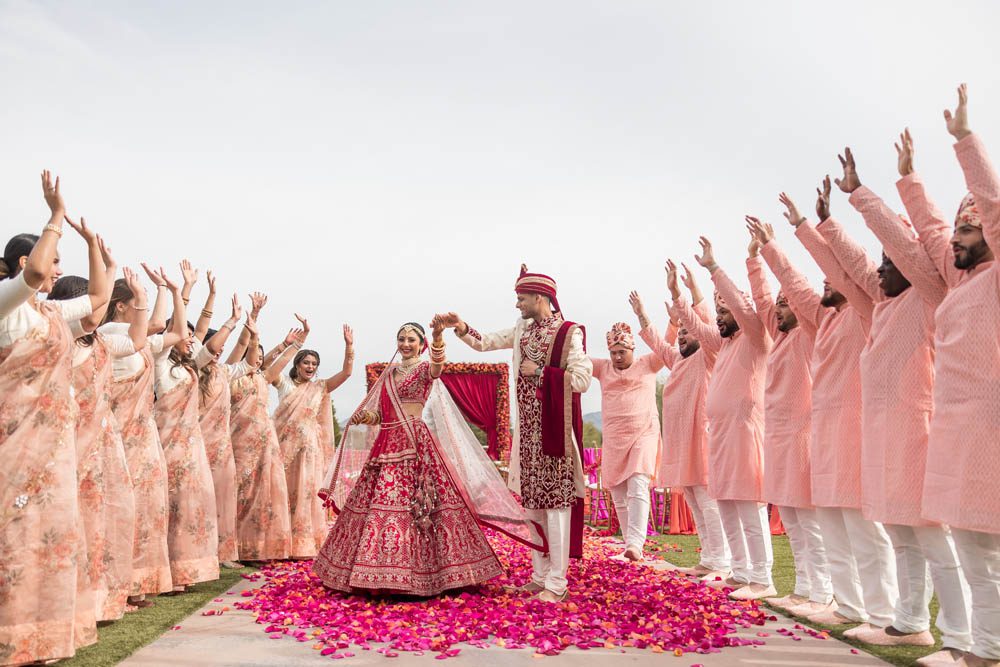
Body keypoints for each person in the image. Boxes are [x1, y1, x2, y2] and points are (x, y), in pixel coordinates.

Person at [811, 145, 973, 658]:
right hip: (884, 434)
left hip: (917, 430)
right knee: (902, 535)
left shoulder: (929, 293)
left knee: (931, 540)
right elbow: (848, 271)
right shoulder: (878, 307)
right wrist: (820, 228)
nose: (879, 271)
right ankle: (908, 622)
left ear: (910, 263)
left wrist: (864, 194)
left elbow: (900, 245)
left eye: (889, 262)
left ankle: (963, 637)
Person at [314, 321, 545, 596]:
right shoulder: (389, 374)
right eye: (401, 339)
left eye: (411, 339)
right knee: (380, 504)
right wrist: (367, 417)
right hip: (387, 444)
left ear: (420, 343)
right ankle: (375, 573)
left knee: (421, 508)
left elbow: (437, 368)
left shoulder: (424, 368)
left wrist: (437, 338)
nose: (405, 344)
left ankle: (431, 575)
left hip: (415, 443)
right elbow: (381, 415)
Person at [901, 85, 1000, 667]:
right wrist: (902, 185)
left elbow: (991, 202)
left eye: (970, 230)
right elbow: (922, 238)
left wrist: (965, 141)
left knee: (989, 556)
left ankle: (985, 653)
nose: (956, 240)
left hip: (991, 428)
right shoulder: (954, 285)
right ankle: (974, 651)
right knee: (971, 552)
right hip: (956, 430)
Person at [780, 185, 899, 634]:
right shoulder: (823, 318)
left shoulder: (866, 309)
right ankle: (847, 607)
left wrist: (816, 227)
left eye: (834, 277)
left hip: (854, 433)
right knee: (833, 527)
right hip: (825, 436)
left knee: (865, 533)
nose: (826, 281)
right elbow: (794, 284)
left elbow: (843, 268)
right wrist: (785, 238)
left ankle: (883, 614)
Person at [0, 173, 108, 663]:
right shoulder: (8, 305)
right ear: (27, 262)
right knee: (15, 534)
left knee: (51, 535)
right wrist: (56, 216)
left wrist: (93, 249)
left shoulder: (48, 313)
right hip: (15, 440)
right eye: (55, 260)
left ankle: (42, 633)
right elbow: (28, 278)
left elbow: (100, 303)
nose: (56, 268)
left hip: (54, 446)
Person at [438, 265, 592, 603]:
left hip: (555, 436)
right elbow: (484, 343)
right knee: (533, 508)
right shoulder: (523, 328)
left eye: (521, 298)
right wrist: (461, 327)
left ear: (540, 297)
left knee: (556, 509)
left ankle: (557, 582)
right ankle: (539, 576)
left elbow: (582, 379)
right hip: (528, 437)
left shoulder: (569, 333)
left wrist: (542, 372)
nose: (517, 305)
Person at [673, 241, 775, 601]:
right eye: (716, 309)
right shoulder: (725, 344)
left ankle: (763, 579)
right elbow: (698, 331)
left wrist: (714, 268)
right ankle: (741, 571)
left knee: (749, 508)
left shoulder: (755, 336)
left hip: (746, 434)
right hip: (720, 437)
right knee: (729, 506)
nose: (719, 315)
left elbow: (745, 310)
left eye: (724, 309)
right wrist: (678, 298)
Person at [744, 219, 833, 617]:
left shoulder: (812, 329)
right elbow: (762, 300)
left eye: (786, 304)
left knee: (810, 522)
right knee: (792, 520)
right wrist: (752, 262)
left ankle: (823, 593)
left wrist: (772, 250)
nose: (778, 310)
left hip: (804, 434)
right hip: (777, 435)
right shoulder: (779, 337)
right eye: (778, 305)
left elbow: (794, 288)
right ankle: (802, 587)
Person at [639, 260, 730, 580]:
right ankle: (709, 556)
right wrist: (643, 317)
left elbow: (705, 321)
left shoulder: (709, 355)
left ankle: (721, 560)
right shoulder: (676, 359)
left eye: (689, 331)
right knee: (693, 499)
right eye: (680, 332)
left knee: (708, 502)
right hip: (680, 442)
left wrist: (689, 290)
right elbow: (656, 343)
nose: (681, 337)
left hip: (701, 438)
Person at [152, 277, 219, 590]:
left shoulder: (191, 366)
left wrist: (230, 317)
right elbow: (175, 331)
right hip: (167, 444)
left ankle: (185, 571)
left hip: (192, 447)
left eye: (193, 335)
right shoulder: (161, 365)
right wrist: (183, 294)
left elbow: (209, 342)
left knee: (191, 506)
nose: (191, 339)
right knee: (171, 505)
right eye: (186, 334)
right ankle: (167, 572)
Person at [588, 294, 664, 561]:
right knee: (618, 493)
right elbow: (574, 359)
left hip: (644, 434)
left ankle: (635, 545)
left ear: (633, 350)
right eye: (613, 352)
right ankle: (628, 544)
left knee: (638, 486)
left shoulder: (649, 363)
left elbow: (667, 344)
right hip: (614, 439)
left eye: (622, 352)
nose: (618, 356)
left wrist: (642, 314)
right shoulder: (603, 368)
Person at [272, 319, 353, 559]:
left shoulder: (320, 387)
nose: (310, 366)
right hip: (284, 448)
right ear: (296, 365)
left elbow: (347, 373)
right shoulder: (284, 383)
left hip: (309, 451)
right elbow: (273, 370)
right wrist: (297, 343)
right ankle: (281, 544)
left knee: (306, 493)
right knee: (283, 493)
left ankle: (304, 545)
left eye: (314, 364)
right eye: (306, 362)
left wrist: (349, 347)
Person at [225, 298, 294, 561]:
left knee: (263, 492)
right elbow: (247, 348)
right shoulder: (231, 376)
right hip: (238, 438)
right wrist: (253, 318)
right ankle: (234, 548)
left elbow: (281, 361)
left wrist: (294, 343)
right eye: (256, 354)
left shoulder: (264, 378)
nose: (260, 359)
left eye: (263, 356)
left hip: (265, 440)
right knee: (239, 491)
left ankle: (257, 546)